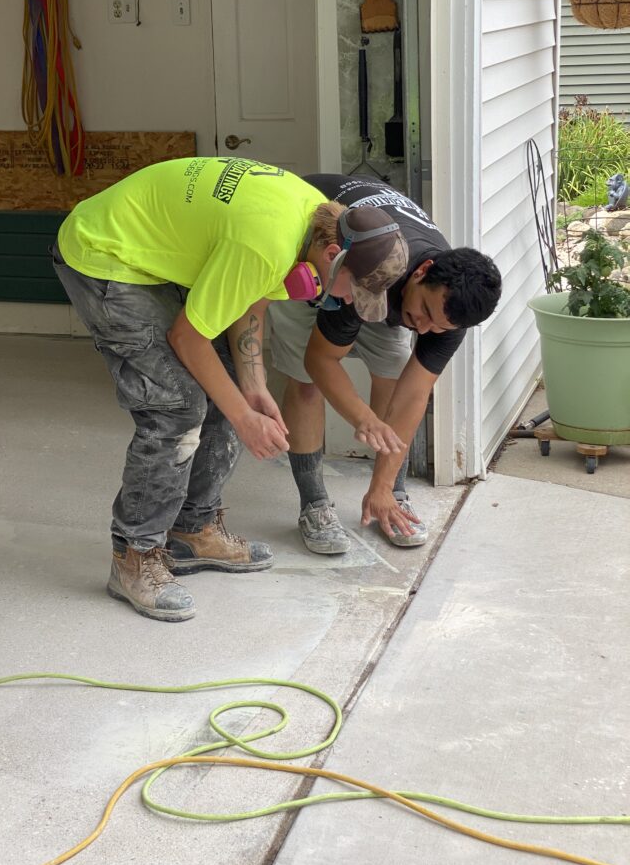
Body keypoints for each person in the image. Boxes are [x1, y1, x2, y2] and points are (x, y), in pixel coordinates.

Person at [51, 157, 410, 622]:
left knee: (225, 393)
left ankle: (193, 530)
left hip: (154, 252)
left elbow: (252, 295)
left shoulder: (318, 219)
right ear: (331, 256)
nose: (345, 302)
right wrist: (245, 417)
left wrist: (253, 385)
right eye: (349, 290)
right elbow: (188, 337)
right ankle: (134, 558)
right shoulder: (266, 241)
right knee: (176, 407)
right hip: (104, 253)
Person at [267, 173, 502, 556]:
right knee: (305, 379)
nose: (423, 328)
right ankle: (313, 504)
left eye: (436, 326)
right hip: (322, 254)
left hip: (391, 282)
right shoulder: (376, 267)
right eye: (424, 311)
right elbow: (321, 360)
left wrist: (381, 488)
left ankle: (390, 494)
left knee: (393, 377)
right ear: (422, 272)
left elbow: (412, 395)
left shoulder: (449, 313)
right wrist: (363, 418)